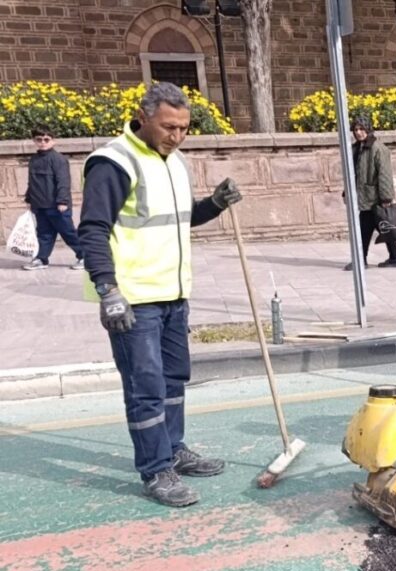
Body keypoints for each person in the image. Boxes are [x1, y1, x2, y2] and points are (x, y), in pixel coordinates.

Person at [76, 82, 242, 507]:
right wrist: (107, 289)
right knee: (145, 385)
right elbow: (93, 230)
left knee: (173, 379)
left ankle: (174, 448)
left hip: (173, 293)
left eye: (184, 128)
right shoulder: (114, 162)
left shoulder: (174, 160)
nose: (177, 135)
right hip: (133, 299)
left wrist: (215, 205)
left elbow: (179, 219)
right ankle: (155, 470)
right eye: (169, 127)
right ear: (143, 116)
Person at [22, 124, 83, 271]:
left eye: (46, 139)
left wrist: (62, 201)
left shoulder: (58, 159)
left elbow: (63, 181)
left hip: (57, 205)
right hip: (40, 205)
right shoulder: (34, 159)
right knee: (43, 234)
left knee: (68, 232)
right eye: (39, 139)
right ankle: (41, 259)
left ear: (53, 141)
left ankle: (85, 256)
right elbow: (32, 182)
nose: (43, 142)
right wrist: (29, 199)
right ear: (34, 141)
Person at [344, 114, 396, 270]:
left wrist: (386, 197)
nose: (358, 132)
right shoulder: (356, 148)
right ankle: (395, 257)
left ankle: (361, 260)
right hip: (364, 197)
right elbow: (352, 173)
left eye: (361, 129)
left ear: (368, 129)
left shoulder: (378, 148)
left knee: (366, 229)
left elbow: (385, 174)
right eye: (355, 129)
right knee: (384, 227)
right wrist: (347, 191)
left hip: (374, 198)